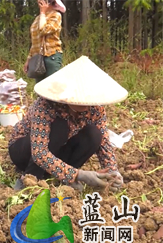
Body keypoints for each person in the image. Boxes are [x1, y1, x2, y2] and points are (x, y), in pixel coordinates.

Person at [9, 56, 127, 192]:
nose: (83, 101)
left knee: (94, 133)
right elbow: (39, 152)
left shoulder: (96, 108)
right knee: (60, 127)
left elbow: (104, 143)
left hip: (56, 152)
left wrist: (113, 172)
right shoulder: (46, 105)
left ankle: (62, 176)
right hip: (25, 151)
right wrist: (78, 174)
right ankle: (30, 178)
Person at [24, 0, 66, 83]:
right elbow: (35, 41)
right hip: (38, 57)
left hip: (51, 56)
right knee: (40, 88)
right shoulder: (38, 18)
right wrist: (29, 59)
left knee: (51, 88)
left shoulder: (56, 15)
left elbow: (44, 30)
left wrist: (42, 13)